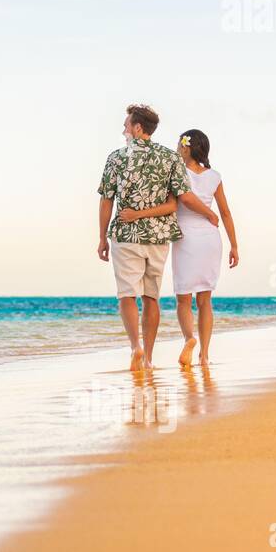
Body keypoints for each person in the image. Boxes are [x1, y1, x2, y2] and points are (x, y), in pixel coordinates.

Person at [97, 103, 217, 372]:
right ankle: (148, 358)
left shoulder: (116, 158)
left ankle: (135, 347)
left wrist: (102, 238)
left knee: (127, 295)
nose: (124, 129)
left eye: (126, 125)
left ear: (138, 128)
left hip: (126, 235)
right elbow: (182, 199)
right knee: (152, 297)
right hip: (159, 237)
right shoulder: (169, 158)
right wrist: (210, 214)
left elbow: (106, 201)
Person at [115, 129, 238, 366]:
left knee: (184, 299)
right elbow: (225, 213)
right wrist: (234, 245)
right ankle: (204, 356)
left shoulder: (176, 170)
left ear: (186, 147)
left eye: (179, 145)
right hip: (211, 238)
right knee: (205, 299)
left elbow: (179, 201)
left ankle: (189, 338)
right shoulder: (215, 176)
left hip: (186, 236)